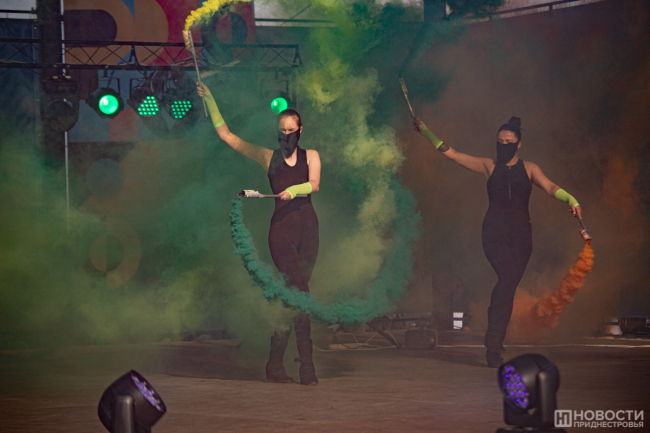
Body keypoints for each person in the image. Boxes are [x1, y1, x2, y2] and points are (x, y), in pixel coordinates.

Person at [413, 116, 582, 367]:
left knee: (508, 286)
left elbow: (550, 187)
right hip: (494, 233)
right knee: (506, 280)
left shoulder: (530, 168)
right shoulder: (487, 166)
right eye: (500, 142)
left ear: (519, 144)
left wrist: (570, 199)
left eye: (509, 142)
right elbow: (453, 154)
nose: (504, 145)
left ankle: (494, 343)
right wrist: (426, 132)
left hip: (522, 237)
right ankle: (493, 344)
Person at [198, 83, 321, 385]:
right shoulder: (267, 157)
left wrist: (295, 189)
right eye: (282, 131)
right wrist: (210, 99)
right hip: (281, 232)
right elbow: (228, 136)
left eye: (290, 131)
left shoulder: (311, 156)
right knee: (301, 295)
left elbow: (314, 184)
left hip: (308, 230)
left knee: (292, 298)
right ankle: (307, 365)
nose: (286, 135)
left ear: (300, 130)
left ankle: (274, 364)